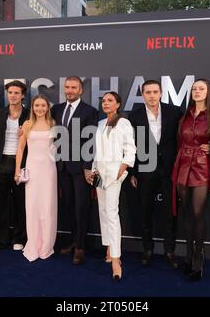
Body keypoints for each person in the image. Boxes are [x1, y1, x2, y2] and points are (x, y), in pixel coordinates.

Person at [171, 78, 210, 281]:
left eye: (201, 88)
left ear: (208, 92)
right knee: (186, 215)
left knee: (198, 214)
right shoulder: (184, 116)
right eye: (194, 89)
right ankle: (187, 255)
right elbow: (179, 144)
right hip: (183, 167)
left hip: (202, 169)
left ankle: (198, 258)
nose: (197, 91)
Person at [128, 80, 183, 269]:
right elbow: (131, 145)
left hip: (169, 169)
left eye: (155, 91)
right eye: (148, 92)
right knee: (145, 211)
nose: (151, 95)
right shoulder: (134, 115)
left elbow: (186, 135)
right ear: (142, 95)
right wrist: (133, 172)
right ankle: (148, 249)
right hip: (144, 168)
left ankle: (170, 250)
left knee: (170, 212)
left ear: (161, 93)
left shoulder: (174, 112)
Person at [50, 76, 98, 264]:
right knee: (68, 205)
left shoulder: (90, 111)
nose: (69, 90)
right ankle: (71, 241)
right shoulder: (57, 109)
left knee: (81, 207)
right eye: (67, 87)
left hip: (80, 168)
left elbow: (91, 141)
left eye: (74, 87)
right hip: (61, 165)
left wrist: (87, 167)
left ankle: (80, 247)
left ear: (80, 90)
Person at [88, 91, 136, 281]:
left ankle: (116, 258)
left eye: (110, 101)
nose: (105, 103)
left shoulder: (123, 123)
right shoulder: (100, 124)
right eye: (104, 101)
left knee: (112, 213)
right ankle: (108, 247)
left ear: (118, 104)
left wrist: (121, 170)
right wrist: (93, 169)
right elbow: (96, 151)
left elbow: (130, 149)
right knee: (102, 211)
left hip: (115, 175)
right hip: (99, 174)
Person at [0, 80, 28, 253]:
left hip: (21, 164)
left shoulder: (29, 116)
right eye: (10, 92)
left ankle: (19, 238)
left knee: (20, 203)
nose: (13, 95)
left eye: (17, 93)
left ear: (23, 95)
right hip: (0, 163)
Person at [15, 94, 57, 261]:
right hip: (32, 169)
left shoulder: (53, 124)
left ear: (47, 107)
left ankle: (46, 245)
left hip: (49, 170)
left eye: (43, 106)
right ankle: (32, 242)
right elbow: (20, 149)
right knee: (32, 207)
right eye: (36, 105)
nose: (40, 108)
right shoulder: (26, 124)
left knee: (47, 207)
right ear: (32, 107)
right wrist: (17, 170)